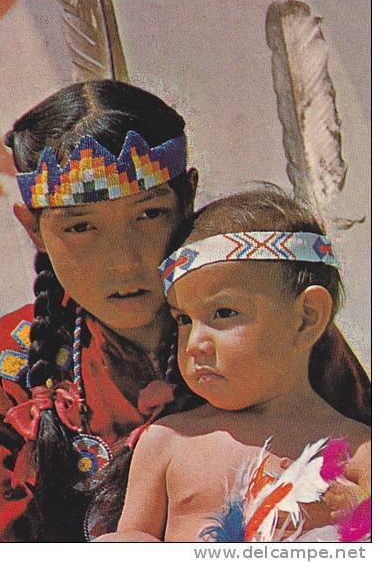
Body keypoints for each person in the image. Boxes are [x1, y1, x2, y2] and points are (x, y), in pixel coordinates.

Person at [0, 84, 370, 543]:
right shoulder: (9, 361)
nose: (122, 260)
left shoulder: (272, 331)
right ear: (34, 229)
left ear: (188, 198)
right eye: (80, 226)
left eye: (148, 215)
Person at [97, 186, 371, 543]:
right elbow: (131, 539)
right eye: (183, 320)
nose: (195, 343)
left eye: (223, 313)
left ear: (305, 318)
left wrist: (360, 512)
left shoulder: (360, 451)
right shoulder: (168, 442)